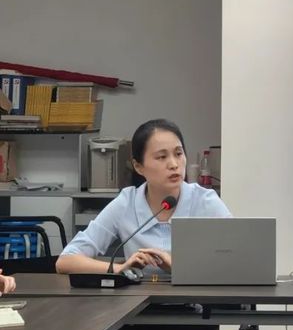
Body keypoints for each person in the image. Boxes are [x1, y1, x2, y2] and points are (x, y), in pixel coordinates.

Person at [56, 118, 231, 276]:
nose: (174, 164)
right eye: (162, 157)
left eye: (178, 154)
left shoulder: (205, 201)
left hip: (195, 300)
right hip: (138, 300)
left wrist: (178, 267)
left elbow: (236, 262)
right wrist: (120, 269)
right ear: (139, 167)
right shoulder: (127, 203)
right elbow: (65, 261)